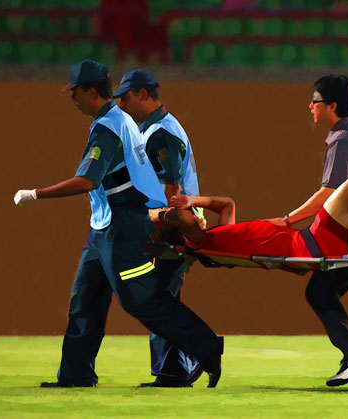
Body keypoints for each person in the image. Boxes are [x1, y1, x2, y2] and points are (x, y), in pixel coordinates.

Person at [13, 59, 223, 388]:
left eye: (75, 92)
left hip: (123, 226)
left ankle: (207, 347)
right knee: (86, 299)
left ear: (91, 92)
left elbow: (86, 180)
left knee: (141, 299)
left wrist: (35, 194)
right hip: (104, 227)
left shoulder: (109, 127)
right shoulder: (119, 120)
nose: (72, 98)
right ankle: (76, 374)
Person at [264, 74, 348, 387]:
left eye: (316, 101)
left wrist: (288, 219)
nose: (310, 106)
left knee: (320, 291)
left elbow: (329, 193)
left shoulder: (343, 140)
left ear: (332, 106)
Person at [113, 69, 204, 388]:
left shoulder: (160, 133)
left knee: (158, 298)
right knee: (162, 297)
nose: (121, 104)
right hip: (170, 224)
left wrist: (156, 230)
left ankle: (183, 364)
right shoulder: (155, 128)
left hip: (171, 227)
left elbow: (171, 194)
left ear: (141, 94)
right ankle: (181, 364)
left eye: (125, 97)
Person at [153, 173, 348, 263]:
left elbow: (227, 204)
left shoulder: (222, 236)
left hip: (333, 243)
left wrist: (193, 200)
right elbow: (179, 218)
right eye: (195, 216)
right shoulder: (202, 242)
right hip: (312, 246)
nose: (199, 217)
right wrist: (157, 214)